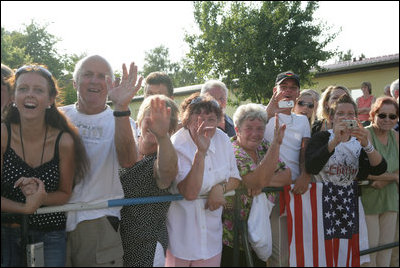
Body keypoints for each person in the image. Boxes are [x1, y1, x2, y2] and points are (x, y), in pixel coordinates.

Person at [1, 64, 89, 267]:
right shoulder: (3, 135)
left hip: (51, 236)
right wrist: (25, 208)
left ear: (50, 100)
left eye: (38, 90)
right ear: (13, 97)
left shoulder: (64, 141)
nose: (29, 95)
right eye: (23, 89)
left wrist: (41, 197)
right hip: (6, 233)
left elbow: (65, 193)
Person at [61, 55, 143, 267]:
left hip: (97, 221)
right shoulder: (58, 117)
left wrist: (121, 107)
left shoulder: (123, 118)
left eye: (102, 76)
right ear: (74, 83)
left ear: (111, 84)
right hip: (52, 221)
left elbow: (128, 161)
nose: (95, 81)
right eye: (87, 75)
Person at [165, 93, 241, 267]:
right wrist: (200, 153)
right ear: (186, 120)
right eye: (199, 118)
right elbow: (190, 193)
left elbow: (235, 178)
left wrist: (219, 188)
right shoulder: (177, 145)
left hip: (211, 241)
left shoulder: (222, 139)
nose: (205, 124)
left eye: (211, 119)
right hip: (181, 243)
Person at [221, 103, 292, 267]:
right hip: (233, 237)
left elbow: (287, 176)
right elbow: (255, 181)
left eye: (260, 128)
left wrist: (260, 180)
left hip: (260, 233)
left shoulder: (265, 146)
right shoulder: (232, 150)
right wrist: (258, 179)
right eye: (249, 128)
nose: (255, 133)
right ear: (237, 129)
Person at [119, 94, 179, 267]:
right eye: (150, 118)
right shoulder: (125, 150)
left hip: (147, 249)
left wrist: (162, 137)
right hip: (117, 244)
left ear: (172, 129)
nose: (155, 125)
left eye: (163, 122)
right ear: (138, 121)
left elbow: (166, 174)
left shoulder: (162, 158)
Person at [263, 71, 311, 267]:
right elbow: (245, 132)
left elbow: (304, 152)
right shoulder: (261, 113)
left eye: (293, 88)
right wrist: (269, 110)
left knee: (293, 249)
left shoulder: (302, 120)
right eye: (284, 87)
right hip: (268, 190)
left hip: (294, 191)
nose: (288, 91)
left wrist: (306, 175)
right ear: (275, 90)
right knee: (274, 252)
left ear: (298, 93)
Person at [360, 97, 399, 267]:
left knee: (386, 253)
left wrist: (385, 180)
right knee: (370, 253)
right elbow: (361, 172)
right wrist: (393, 177)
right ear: (373, 115)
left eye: (393, 116)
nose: (387, 120)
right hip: (369, 201)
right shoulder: (365, 134)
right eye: (382, 115)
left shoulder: (396, 136)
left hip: (390, 200)